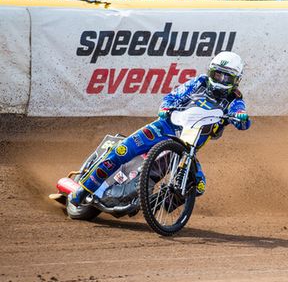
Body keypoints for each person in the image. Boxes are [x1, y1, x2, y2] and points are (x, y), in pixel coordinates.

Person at [69, 52, 251, 207]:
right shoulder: (200, 82)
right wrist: (165, 107)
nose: (220, 80)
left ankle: (154, 207)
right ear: (210, 72)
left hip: (187, 147)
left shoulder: (235, 100)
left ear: (236, 80)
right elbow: (173, 96)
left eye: (226, 77)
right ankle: (84, 189)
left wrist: (241, 118)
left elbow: (242, 118)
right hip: (164, 127)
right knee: (121, 150)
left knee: (198, 186)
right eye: (217, 74)